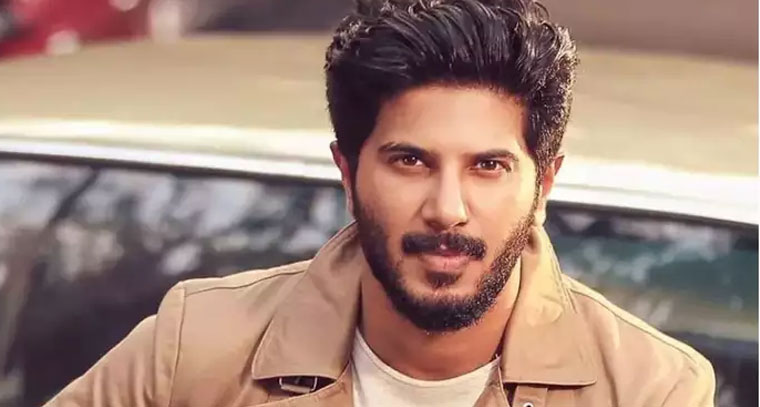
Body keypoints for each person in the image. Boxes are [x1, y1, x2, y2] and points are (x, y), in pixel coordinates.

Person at [44, 0, 715, 406]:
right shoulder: (193, 349)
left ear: (543, 186)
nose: (447, 209)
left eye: (488, 166)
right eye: (410, 161)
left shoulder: (650, 389)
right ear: (347, 171)